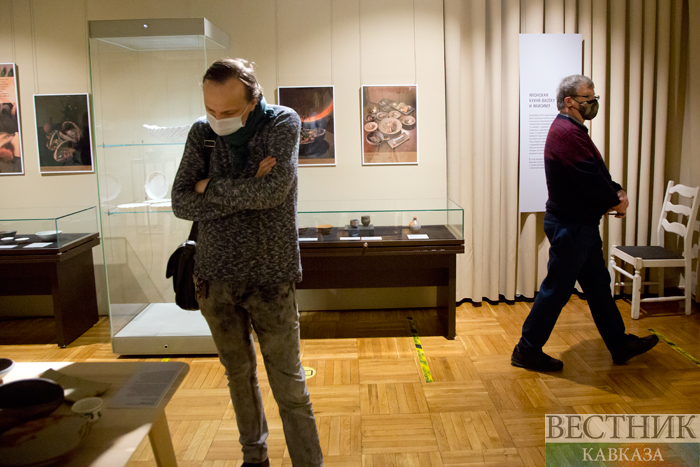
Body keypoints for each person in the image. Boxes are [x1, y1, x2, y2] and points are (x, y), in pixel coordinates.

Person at [172, 58, 323, 467]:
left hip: (271, 277)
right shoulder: (202, 132)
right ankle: (254, 459)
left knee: (289, 384)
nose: (218, 119)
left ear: (253, 100)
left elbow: (273, 193)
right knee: (238, 377)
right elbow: (181, 202)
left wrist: (209, 187)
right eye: (211, 109)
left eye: (229, 111)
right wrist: (247, 184)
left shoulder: (282, 122)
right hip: (214, 279)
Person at [511, 74, 659, 372]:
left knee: (598, 287)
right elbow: (589, 177)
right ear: (569, 101)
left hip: (580, 226)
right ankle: (526, 350)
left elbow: (594, 171)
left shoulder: (571, 129)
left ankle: (619, 344)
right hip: (572, 227)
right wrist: (616, 200)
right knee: (557, 290)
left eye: (594, 98)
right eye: (587, 99)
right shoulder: (567, 133)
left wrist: (615, 192)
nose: (593, 103)